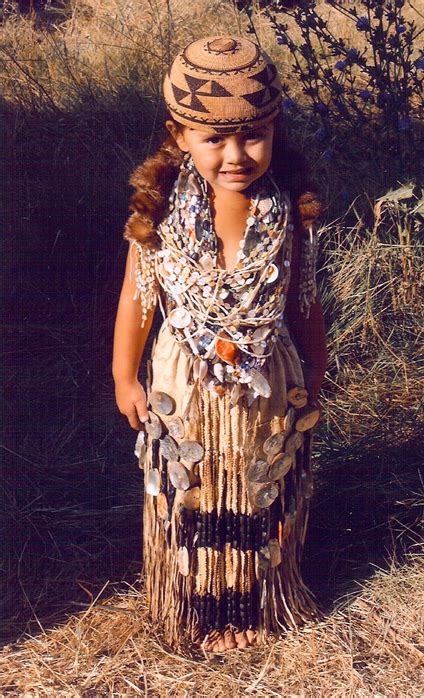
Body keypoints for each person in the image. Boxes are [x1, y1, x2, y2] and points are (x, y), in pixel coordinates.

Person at [112, 35, 328, 654]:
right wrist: (126, 377)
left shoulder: (288, 211)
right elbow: (137, 297)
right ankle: (196, 609)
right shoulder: (159, 213)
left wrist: (315, 372)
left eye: (251, 136)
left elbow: (303, 301)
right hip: (183, 375)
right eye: (213, 139)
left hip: (269, 375)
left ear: (274, 129)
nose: (235, 155)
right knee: (196, 486)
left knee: (259, 489)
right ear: (179, 135)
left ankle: (252, 607)